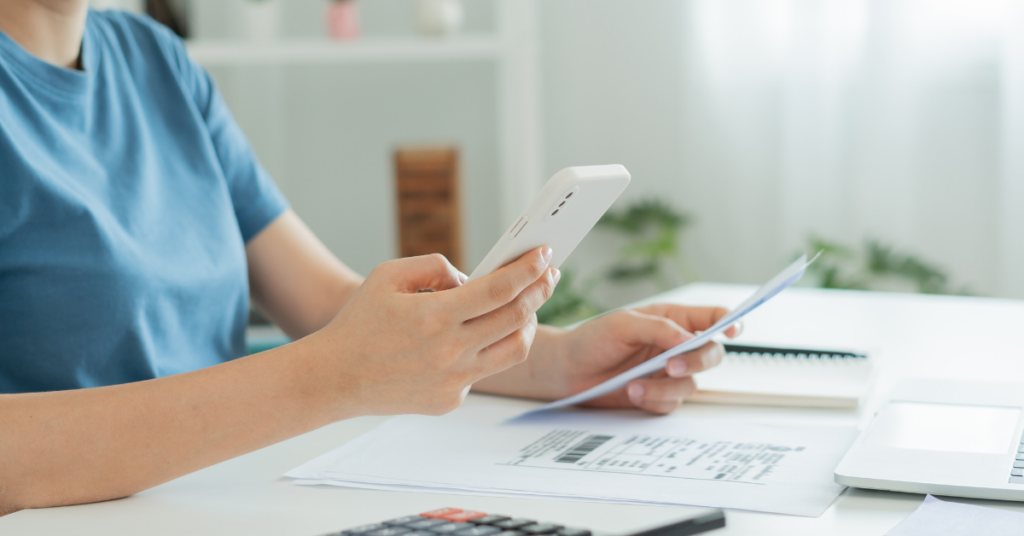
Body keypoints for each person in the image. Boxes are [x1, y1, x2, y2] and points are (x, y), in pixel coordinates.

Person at [0, 1, 740, 516]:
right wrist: (328, 379)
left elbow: (324, 303)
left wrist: (558, 363)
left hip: (225, 504)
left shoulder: (155, 62)